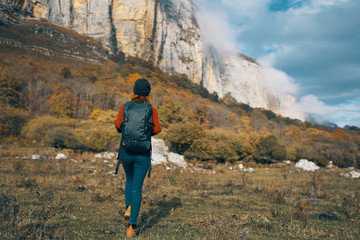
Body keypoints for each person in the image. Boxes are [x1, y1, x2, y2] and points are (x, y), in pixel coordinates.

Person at [114, 78, 161, 237]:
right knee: (137, 187)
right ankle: (131, 227)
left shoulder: (125, 106)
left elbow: (118, 125)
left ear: (134, 91)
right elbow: (158, 129)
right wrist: (147, 133)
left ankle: (128, 207)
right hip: (142, 153)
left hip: (127, 152)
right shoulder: (151, 109)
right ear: (147, 93)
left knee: (129, 180)